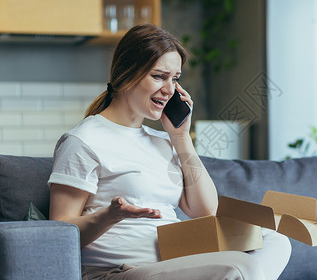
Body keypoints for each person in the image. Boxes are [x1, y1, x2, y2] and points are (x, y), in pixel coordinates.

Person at [48, 24, 291, 280]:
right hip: (120, 270)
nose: (170, 90)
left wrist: (181, 138)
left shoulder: (164, 141)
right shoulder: (84, 139)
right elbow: (59, 231)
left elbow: (206, 210)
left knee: (274, 241)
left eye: (174, 78)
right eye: (158, 76)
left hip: (175, 257)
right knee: (243, 269)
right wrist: (110, 215)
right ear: (126, 74)